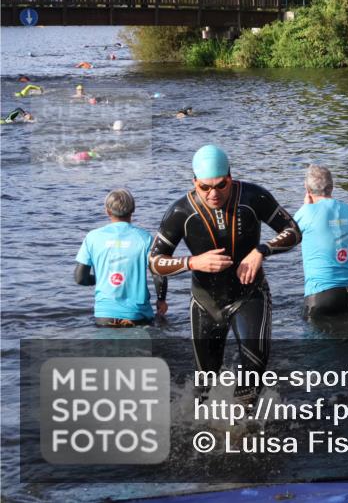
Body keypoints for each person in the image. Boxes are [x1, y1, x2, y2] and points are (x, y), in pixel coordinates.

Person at [149, 145, 301, 403]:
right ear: (194, 181)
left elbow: (293, 231)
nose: (213, 194)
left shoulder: (253, 197)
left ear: (230, 176)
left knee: (253, 373)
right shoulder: (180, 212)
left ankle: (243, 432)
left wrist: (261, 250)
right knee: (204, 387)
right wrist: (192, 262)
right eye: (205, 187)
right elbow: (155, 261)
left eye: (221, 185)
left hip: (249, 296)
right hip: (205, 302)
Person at [75, 189, 166, 327]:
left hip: (104, 315)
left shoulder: (92, 237)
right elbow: (159, 273)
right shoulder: (145, 238)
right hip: (137, 315)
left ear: (107, 211)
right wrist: (161, 299)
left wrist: (100, 278)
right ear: (133, 209)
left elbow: (80, 278)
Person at [295, 165, 348, 320]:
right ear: (332, 186)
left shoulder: (304, 212)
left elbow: (285, 240)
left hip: (318, 296)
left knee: (314, 342)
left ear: (306, 187)